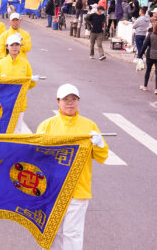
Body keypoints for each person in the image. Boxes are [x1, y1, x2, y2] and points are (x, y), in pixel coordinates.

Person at [37, 84, 108, 250]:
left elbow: (102, 156)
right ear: (58, 102)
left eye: (74, 99)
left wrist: (99, 144)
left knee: (73, 234)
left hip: (78, 189)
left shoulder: (89, 126)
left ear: (78, 101)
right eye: (66, 99)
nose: (70, 103)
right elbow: (36, 157)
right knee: (52, 232)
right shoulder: (47, 126)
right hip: (53, 190)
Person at [0, 34, 38, 132]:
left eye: (17, 45)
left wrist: (33, 81)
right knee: (2, 130)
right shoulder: (1, 64)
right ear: (7, 47)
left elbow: (28, 85)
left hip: (19, 103)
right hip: (4, 103)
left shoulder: (25, 63)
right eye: (12, 45)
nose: (14, 47)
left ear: (20, 47)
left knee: (17, 131)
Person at [139, 21, 157, 95]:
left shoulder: (150, 34)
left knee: (148, 70)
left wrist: (140, 54)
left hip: (150, 55)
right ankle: (156, 89)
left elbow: (145, 45)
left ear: (154, 26)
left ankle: (145, 86)